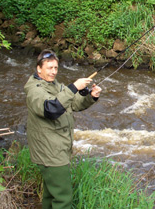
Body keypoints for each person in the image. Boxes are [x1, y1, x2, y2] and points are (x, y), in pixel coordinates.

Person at [24, 49, 102, 209]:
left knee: (50, 195)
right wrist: (73, 87)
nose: (53, 72)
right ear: (39, 68)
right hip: (50, 152)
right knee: (63, 199)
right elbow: (51, 109)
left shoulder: (54, 85)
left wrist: (91, 96)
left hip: (57, 148)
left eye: (56, 68)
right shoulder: (35, 90)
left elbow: (72, 104)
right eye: (49, 68)